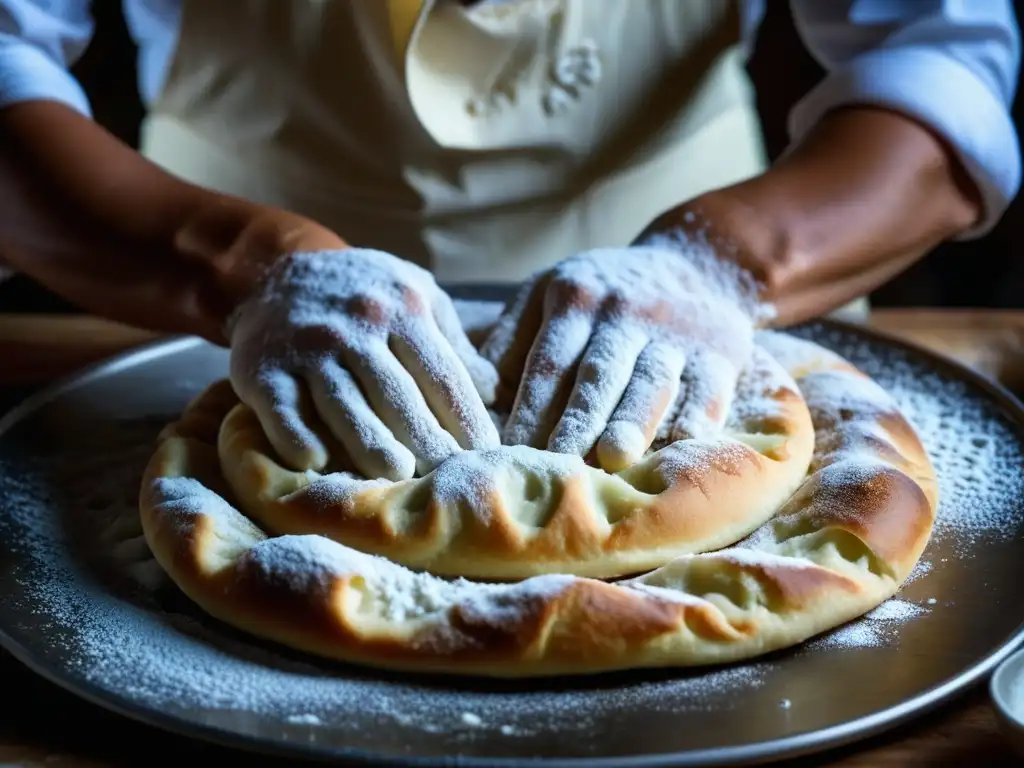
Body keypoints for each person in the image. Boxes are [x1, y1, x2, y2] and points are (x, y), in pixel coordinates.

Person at [0, 1, 1019, 481]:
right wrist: (243, 269)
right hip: (214, 322)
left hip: (714, 332)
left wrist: (723, 263)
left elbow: (933, 53)